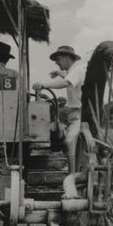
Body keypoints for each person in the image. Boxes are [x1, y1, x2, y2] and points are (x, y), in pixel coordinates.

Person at [33, 45, 86, 173]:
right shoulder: (73, 71)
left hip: (80, 115)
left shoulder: (78, 70)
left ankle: (72, 176)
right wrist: (58, 73)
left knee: (68, 142)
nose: (56, 63)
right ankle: (72, 169)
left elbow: (66, 82)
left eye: (58, 59)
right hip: (72, 114)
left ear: (66, 58)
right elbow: (66, 75)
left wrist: (44, 85)